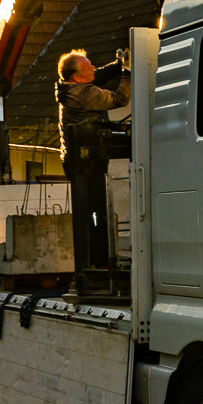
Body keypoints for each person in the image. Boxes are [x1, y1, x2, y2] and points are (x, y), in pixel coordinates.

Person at [56, 48, 130, 293]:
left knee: (93, 210)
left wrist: (119, 64)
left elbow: (99, 75)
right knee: (95, 212)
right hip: (85, 161)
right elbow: (119, 99)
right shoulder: (84, 93)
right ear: (78, 77)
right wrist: (129, 72)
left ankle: (97, 261)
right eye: (88, 67)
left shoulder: (71, 85)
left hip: (81, 158)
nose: (93, 69)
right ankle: (97, 263)